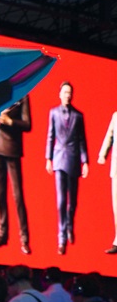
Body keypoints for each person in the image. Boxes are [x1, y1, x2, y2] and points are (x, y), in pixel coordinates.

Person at [46, 81, 88, 255]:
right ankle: (61, 237)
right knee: (61, 200)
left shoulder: (78, 116)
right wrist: (48, 158)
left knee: (73, 200)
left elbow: (82, 140)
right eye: (64, 92)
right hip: (58, 159)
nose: (67, 95)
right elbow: (50, 136)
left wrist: (85, 161)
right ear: (60, 94)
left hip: (73, 159)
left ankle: (70, 224)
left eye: (69, 92)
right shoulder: (54, 113)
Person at [0, 96, 32, 254]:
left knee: (17, 195)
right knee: (0, 193)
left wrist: (10, 122)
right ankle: (2, 234)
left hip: (12, 147)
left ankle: (24, 238)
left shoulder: (23, 95)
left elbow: (27, 124)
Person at [98, 108, 117, 254]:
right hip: (116, 168)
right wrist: (102, 154)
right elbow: (109, 136)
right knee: (116, 205)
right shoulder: (116, 116)